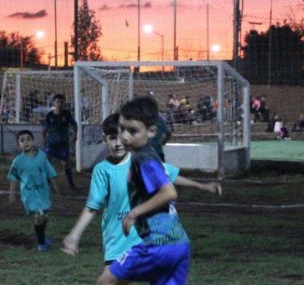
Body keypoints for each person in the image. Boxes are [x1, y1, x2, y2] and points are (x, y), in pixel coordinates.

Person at [61, 113, 220, 272]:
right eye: (112, 138)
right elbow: (92, 206)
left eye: (121, 137)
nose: (118, 143)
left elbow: (170, 175)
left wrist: (202, 186)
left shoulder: (142, 160)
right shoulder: (102, 170)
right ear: (104, 139)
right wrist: (75, 235)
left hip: (142, 238)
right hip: (116, 240)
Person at [95, 96, 191, 285]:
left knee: (105, 282)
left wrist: (134, 213)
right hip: (179, 243)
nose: (125, 136)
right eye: (122, 128)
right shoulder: (149, 155)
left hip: (157, 245)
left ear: (151, 132)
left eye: (133, 131)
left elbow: (169, 192)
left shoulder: (144, 160)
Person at [8, 129, 60, 251]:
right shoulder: (18, 161)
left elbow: (50, 172)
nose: (25, 142)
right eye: (22, 140)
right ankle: (41, 244)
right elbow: (13, 177)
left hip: (43, 191)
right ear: (18, 145)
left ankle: (42, 236)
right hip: (29, 193)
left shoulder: (41, 156)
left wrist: (56, 187)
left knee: (44, 216)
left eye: (28, 139)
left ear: (34, 141)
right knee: (38, 215)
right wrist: (11, 194)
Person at [42, 93, 78, 189]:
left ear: (64, 103)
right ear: (54, 103)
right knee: (47, 160)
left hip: (63, 143)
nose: (59, 104)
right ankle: (46, 181)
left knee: (66, 163)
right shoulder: (49, 115)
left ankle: (71, 183)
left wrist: (75, 134)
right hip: (52, 143)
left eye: (62, 102)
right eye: (57, 102)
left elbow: (74, 124)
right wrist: (44, 137)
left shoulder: (67, 114)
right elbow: (46, 128)